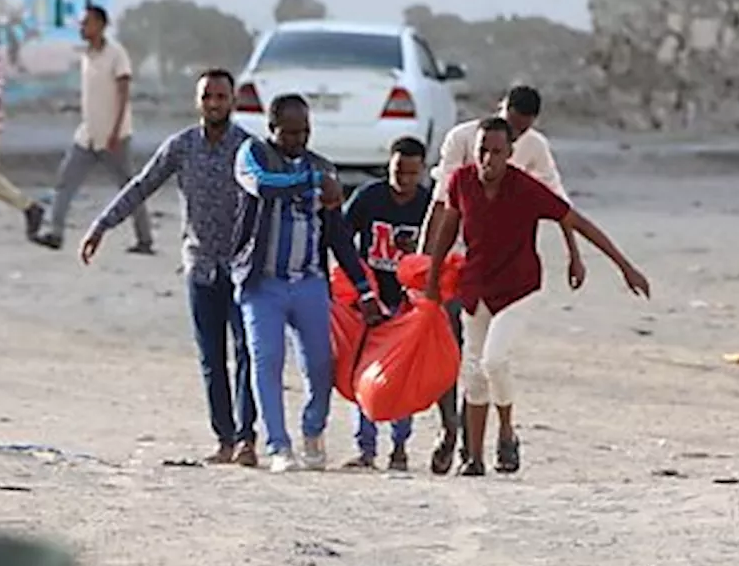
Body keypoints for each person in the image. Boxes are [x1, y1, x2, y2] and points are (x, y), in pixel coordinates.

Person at [423, 116, 650, 477]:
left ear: (510, 154)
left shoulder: (526, 188)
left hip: (518, 289)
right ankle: (474, 457)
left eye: (497, 152)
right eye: (483, 151)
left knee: (494, 360)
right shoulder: (461, 182)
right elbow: (447, 230)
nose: (488, 160)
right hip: (476, 287)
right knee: (473, 372)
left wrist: (624, 266)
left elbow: (576, 221)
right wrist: (432, 279)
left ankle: (507, 432)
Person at [79, 70, 258, 466]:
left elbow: (273, 198)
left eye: (221, 96)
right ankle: (224, 439)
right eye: (207, 96)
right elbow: (142, 186)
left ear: (233, 100)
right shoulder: (181, 147)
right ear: (198, 101)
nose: (214, 103)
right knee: (211, 358)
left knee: (247, 353)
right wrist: (102, 225)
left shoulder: (249, 149)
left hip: (242, 268)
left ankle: (248, 439)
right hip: (199, 268)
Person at [420, 85, 581, 475]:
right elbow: (441, 204)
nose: (512, 134)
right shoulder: (463, 138)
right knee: (454, 351)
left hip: (505, 265)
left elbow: (559, 204)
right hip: (460, 262)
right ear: (499, 109)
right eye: (510, 122)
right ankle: (451, 432)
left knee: (486, 359)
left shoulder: (534, 148)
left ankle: (490, 438)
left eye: (520, 131)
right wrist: (426, 264)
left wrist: (573, 253)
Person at [233, 94, 382, 473]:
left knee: (320, 365)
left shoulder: (322, 167)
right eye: (291, 131)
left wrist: (363, 288)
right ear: (272, 128)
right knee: (266, 360)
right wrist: (314, 182)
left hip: (310, 283)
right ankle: (278, 446)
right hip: (262, 283)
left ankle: (313, 431)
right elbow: (264, 186)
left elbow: (338, 237)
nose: (299, 139)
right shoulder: (252, 155)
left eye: (305, 131)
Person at [339, 135, 431, 472]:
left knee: (401, 377)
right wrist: (356, 288)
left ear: (421, 172)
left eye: (410, 173)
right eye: (397, 171)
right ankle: (365, 448)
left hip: (407, 304)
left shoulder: (427, 203)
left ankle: (400, 445)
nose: (402, 180)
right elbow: (342, 236)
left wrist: (416, 252)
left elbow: (440, 251)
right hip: (371, 301)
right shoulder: (370, 197)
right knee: (364, 373)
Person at [35, 5, 154, 254]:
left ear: (100, 25)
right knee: (66, 180)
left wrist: (114, 132)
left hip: (114, 137)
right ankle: (56, 233)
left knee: (129, 188)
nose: (81, 28)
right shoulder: (87, 55)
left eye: (86, 23)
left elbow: (123, 96)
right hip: (88, 134)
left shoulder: (116, 54)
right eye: (81, 23)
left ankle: (145, 238)